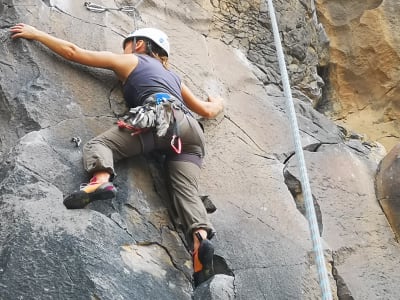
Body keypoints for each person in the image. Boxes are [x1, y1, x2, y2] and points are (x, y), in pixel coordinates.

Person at [10, 23, 224, 287]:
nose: (122, 50)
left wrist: (37, 34)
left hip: (160, 116)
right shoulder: (174, 78)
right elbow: (207, 110)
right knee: (186, 193)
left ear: (140, 45)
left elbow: (73, 52)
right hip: (191, 133)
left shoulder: (132, 60)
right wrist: (218, 103)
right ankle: (200, 246)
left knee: (100, 145)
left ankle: (100, 182)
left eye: (127, 44)